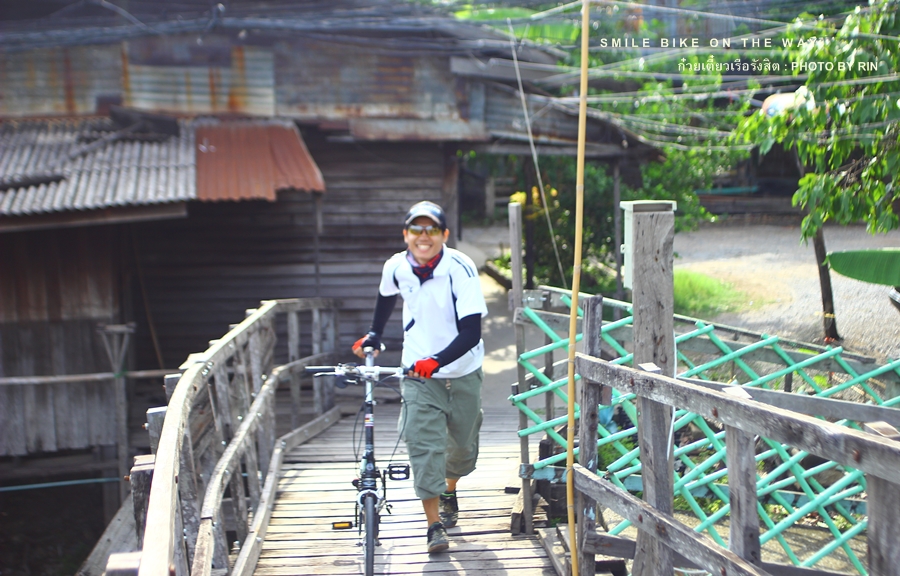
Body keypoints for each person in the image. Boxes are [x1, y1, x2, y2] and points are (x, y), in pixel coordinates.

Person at [352, 200, 488, 554]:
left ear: (444, 235)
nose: (423, 236)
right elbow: (385, 299)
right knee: (422, 443)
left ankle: (449, 489)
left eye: (432, 229)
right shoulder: (396, 267)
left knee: (462, 447)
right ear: (406, 234)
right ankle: (433, 525)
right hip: (417, 372)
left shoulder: (460, 268)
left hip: (462, 370)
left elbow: (472, 332)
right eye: (416, 229)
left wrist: (437, 361)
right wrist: (374, 334)